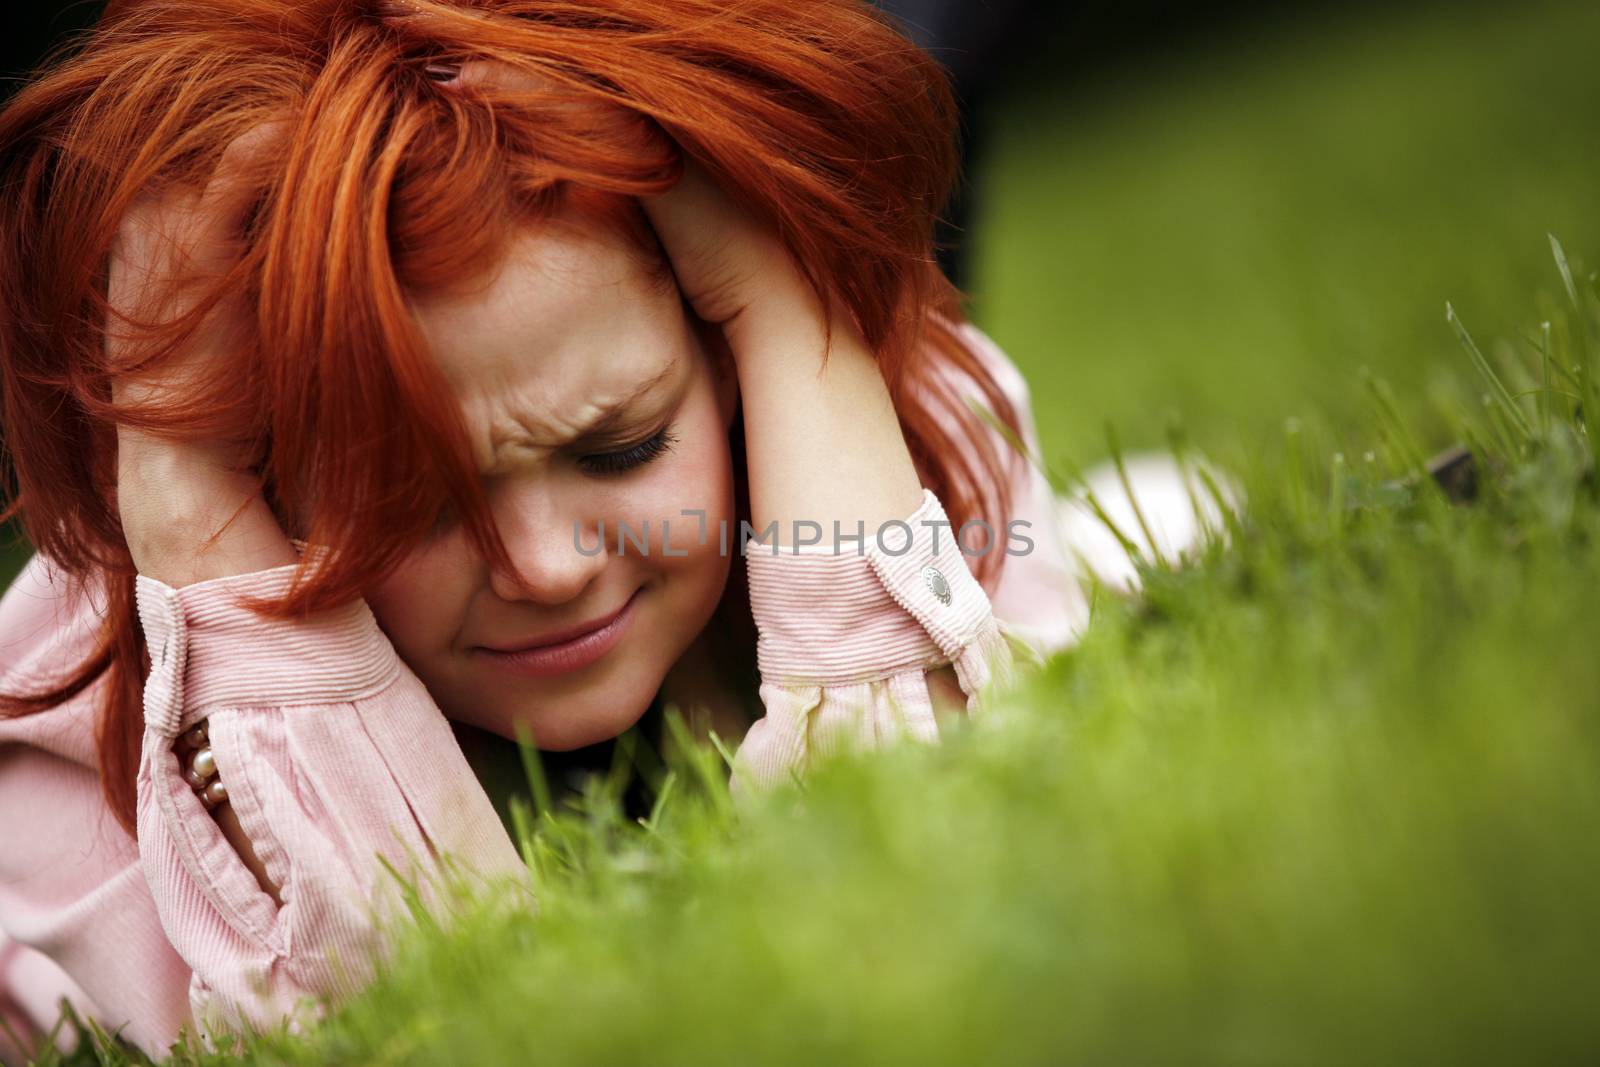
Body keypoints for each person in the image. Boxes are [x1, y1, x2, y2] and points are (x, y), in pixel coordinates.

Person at [0, 0, 1092, 1058]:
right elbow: (401, 1019)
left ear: (721, 354)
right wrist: (178, 468)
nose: (543, 566)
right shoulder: (71, 704)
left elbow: (937, 848)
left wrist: (786, 301)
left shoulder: (901, 428)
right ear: (261, 479)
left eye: (615, 448)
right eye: (412, 504)